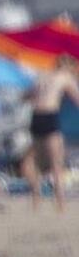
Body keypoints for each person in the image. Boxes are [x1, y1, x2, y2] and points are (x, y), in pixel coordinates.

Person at [21, 54, 79, 212]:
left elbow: (25, 96)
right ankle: (60, 204)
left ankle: (36, 199)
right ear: (69, 66)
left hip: (36, 117)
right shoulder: (65, 77)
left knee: (38, 163)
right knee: (56, 163)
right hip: (49, 116)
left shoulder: (43, 76)